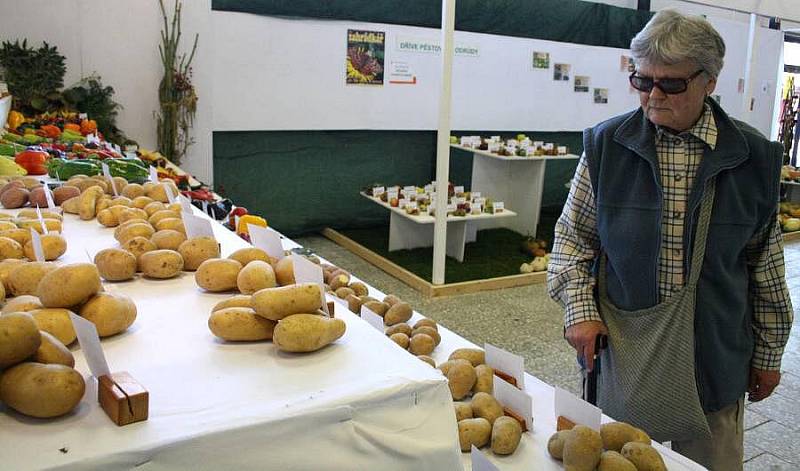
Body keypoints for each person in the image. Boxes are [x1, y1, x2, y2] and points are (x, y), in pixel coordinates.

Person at [547, 9, 793, 471]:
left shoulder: (754, 158)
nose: (653, 95)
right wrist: (579, 311)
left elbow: (766, 266)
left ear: (709, 81)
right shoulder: (606, 146)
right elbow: (572, 240)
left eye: (671, 84)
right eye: (642, 81)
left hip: (713, 366)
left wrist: (768, 352)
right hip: (625, 362)